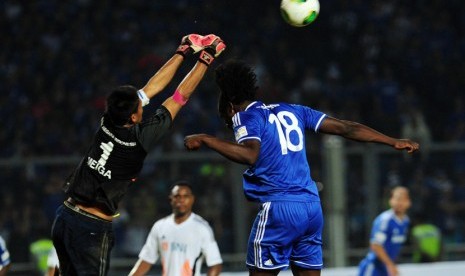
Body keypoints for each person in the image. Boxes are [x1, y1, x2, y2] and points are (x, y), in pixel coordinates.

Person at [183, 59, 419, 276]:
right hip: (311, 208)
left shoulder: (243, 116)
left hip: (280, 209)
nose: (229, 124)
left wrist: (207, 139)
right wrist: (392, 141)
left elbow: (250, 154)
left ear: (231, 106)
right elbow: (346, 128)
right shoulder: (293, 110)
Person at [51, 34, 226, 276]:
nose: (143, 104)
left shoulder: (107, 121)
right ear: (133, 117)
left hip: (65, 217)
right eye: (140, 107)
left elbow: (149, 88)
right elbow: (178, 98)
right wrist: (205, 59)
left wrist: (184, 50)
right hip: (91, 228)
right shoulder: (138, 141)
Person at [129, 181, 223, 276]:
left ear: (192, 199)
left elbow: (215, 264)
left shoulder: (202, 228)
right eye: (177, 196)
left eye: (186, 196)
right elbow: (146, 260)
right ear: (171, 199)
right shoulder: (160, 226)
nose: (181, 200)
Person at [358, 186, 411, 276]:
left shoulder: (405, 221)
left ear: (408, 202)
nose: (399, 203)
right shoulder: (385, 220)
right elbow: (376, 245)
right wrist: (390, 265)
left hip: (385, 269)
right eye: (397, 199)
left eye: (403, 199)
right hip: (373, 267)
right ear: (391, 201)